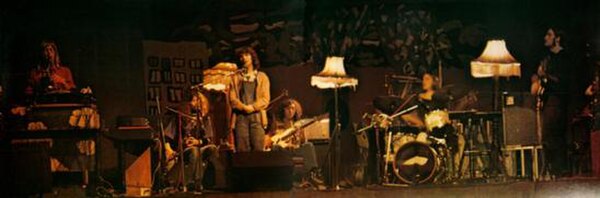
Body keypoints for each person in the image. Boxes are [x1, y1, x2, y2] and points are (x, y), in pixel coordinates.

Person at [531, 27, 571, 178]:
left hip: (558, 101)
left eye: (549, 35)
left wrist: (545, 76)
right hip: (548, 100)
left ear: (557, 38)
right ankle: (553, 170)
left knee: (554, 135)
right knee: (547, 136)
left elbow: (562, 81)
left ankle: (559, 170)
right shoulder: (547, 57)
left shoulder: (564, 57)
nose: (545, 37)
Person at [166, 92, 221, 193]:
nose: (193, 103)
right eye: (192, 100)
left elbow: (208, 139)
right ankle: (194, 182)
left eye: (196, 100)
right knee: (195, 151)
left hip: (200, 147)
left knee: (212, 148)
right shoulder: (180, 117)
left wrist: (197, 141)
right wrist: (169, 150)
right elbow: (167, 138)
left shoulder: (205, 119)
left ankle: (214, 181)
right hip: (184, 149)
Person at [269, 98, 324, 189]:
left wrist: (300, 134)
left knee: (308, 145)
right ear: (283, 110)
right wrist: (285, 144)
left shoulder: (298, 124)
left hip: (295, 149)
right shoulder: (277, 124)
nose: (290, 111)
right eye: (287, 109)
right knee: (275, 147)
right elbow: (272, 139)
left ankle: (312, 174)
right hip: (283, 151)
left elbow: (303, 142)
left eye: (292, 109)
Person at [229, 47, 270, 152]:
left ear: (252, 57)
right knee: (242, 149)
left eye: (247, 55)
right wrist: (244, 107)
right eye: (241, 56)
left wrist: (252, 107)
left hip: (257, 117)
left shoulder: (262, 77)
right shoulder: (235, 77)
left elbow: (265, 99)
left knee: (258, 149)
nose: (244, 58)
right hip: (240, 117)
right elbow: (233, 100)